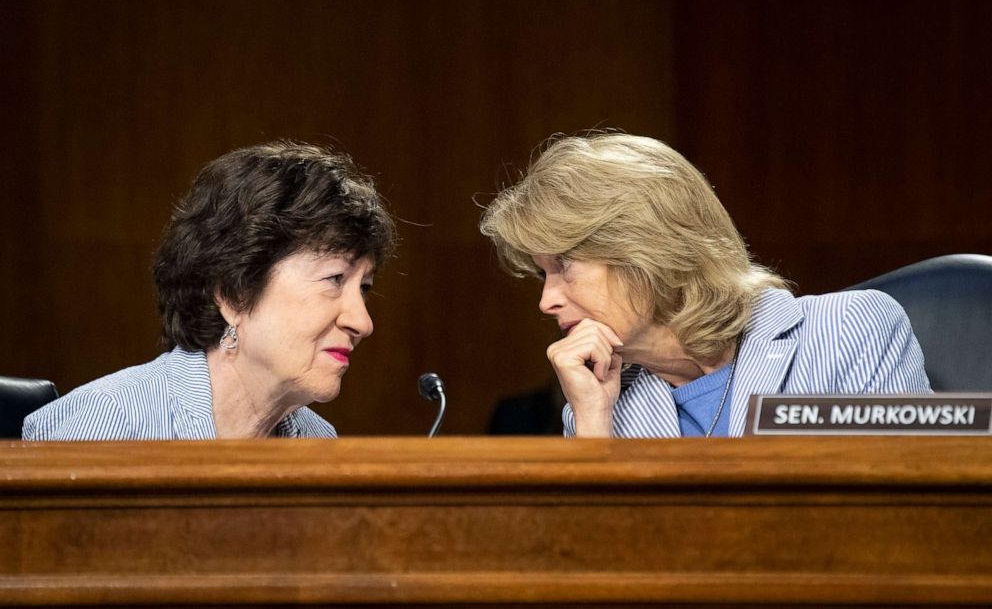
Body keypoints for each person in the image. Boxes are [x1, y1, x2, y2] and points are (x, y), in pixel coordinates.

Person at [480, 133, 932, 438]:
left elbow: (911, 520)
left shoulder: (849, 331)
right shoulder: (597, 407)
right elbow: (593, 568)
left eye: (564, 266)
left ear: (645, 251)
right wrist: (593, 427)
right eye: (543, 275)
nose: (546, 301)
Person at [24, 141, 394, 440]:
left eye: (364, 287)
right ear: (234, 294)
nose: (362, 322)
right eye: (334, 280)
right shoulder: (109, 424)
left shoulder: (318, 441)